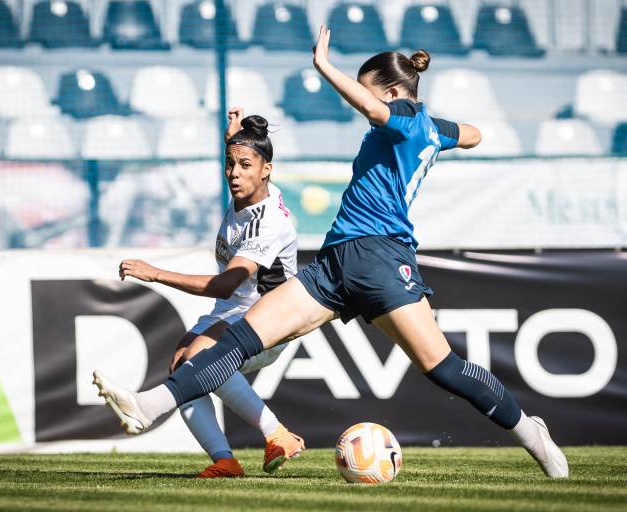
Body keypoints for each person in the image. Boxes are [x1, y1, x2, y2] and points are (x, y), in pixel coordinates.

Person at [95, 26, 569, 479]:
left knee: (443, 368)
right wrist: (442, 133)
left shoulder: (404, 120)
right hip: (335, 261)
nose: (363, 102)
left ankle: (532, 433)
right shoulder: (424, 127)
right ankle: (148, 405)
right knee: (239, 340)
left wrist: (324, 66)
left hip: (382, 259)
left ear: (391, 93)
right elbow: (474, 134)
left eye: (368, 92)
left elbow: (378, 110)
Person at [99, 109, 305, 478]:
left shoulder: (269, 222)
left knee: (201, 357)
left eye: (245, 166)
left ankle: (278, 434)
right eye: (230, 164)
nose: (234, 173)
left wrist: (155, 273)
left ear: (267, 170)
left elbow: (225, 283)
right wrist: (232, 138)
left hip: (269, 317)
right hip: (233, 309)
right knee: (182, 364)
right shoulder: (246, 188)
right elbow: (243, 154)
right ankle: (225, 461)